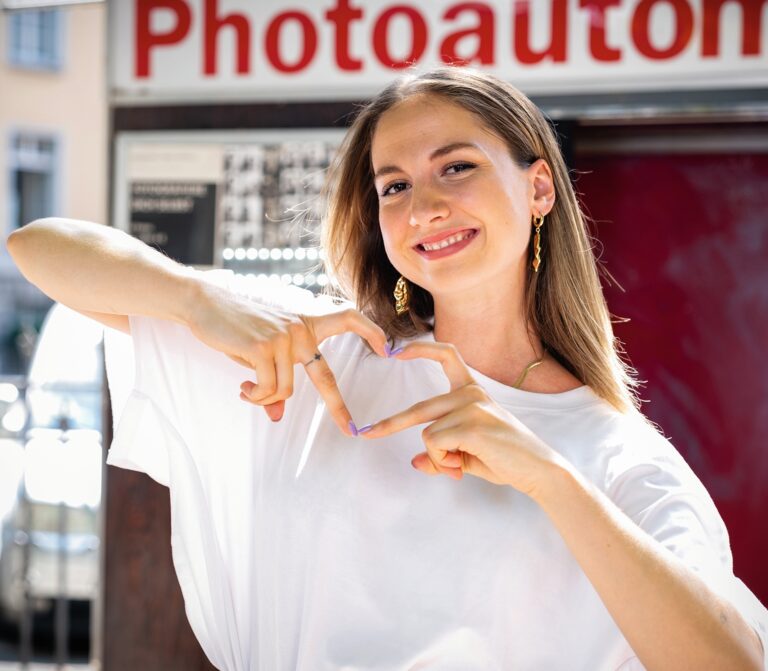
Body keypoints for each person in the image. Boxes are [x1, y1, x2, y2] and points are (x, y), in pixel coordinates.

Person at [6, 66, 767, 671]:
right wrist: (195, 297)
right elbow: (40, 248)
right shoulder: (327, 358)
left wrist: (548, 477)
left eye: (456, 167)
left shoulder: (622, 459)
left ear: (539, 187)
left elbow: (729, 660)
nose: (422, 207)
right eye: (394, 185)